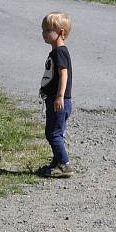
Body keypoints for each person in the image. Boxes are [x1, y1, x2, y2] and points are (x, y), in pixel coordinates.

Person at [38, 12, 74, 178]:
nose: (44, 33)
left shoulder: (59, 52)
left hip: (59, 101)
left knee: (54, 134)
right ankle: (57, 161)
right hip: (55, 100)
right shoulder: (56, 51)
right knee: (52, 132)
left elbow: (63, 74)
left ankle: (64, 164)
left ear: (61, 32)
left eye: (48, 30)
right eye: (43, 29)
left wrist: (59, 96)